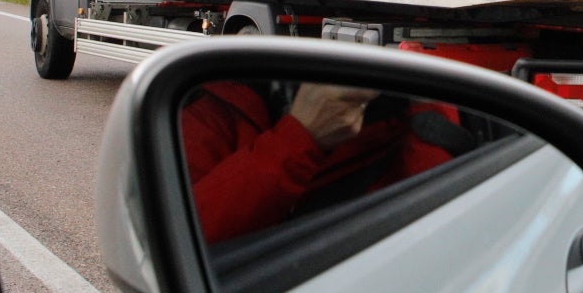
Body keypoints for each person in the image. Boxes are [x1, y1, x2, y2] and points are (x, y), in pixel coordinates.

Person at [181, 79, 471, 244]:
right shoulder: (216, 112)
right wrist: (300, 138)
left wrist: (427, 106)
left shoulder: (407, 121)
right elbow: (182, 239)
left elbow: (431, 236)